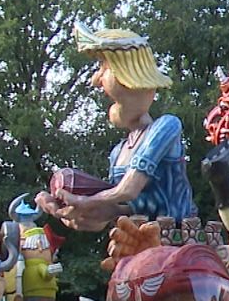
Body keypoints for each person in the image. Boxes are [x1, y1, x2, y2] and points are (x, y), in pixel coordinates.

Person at [37, 23, 197, 232]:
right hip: (136, 241)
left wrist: (86, 202)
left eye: (104, 67)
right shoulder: (118, 152)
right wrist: (68, 208)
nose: (96, 80)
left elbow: (128, 190)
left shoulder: (166, 126)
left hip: (175, 239)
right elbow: (116, 210)